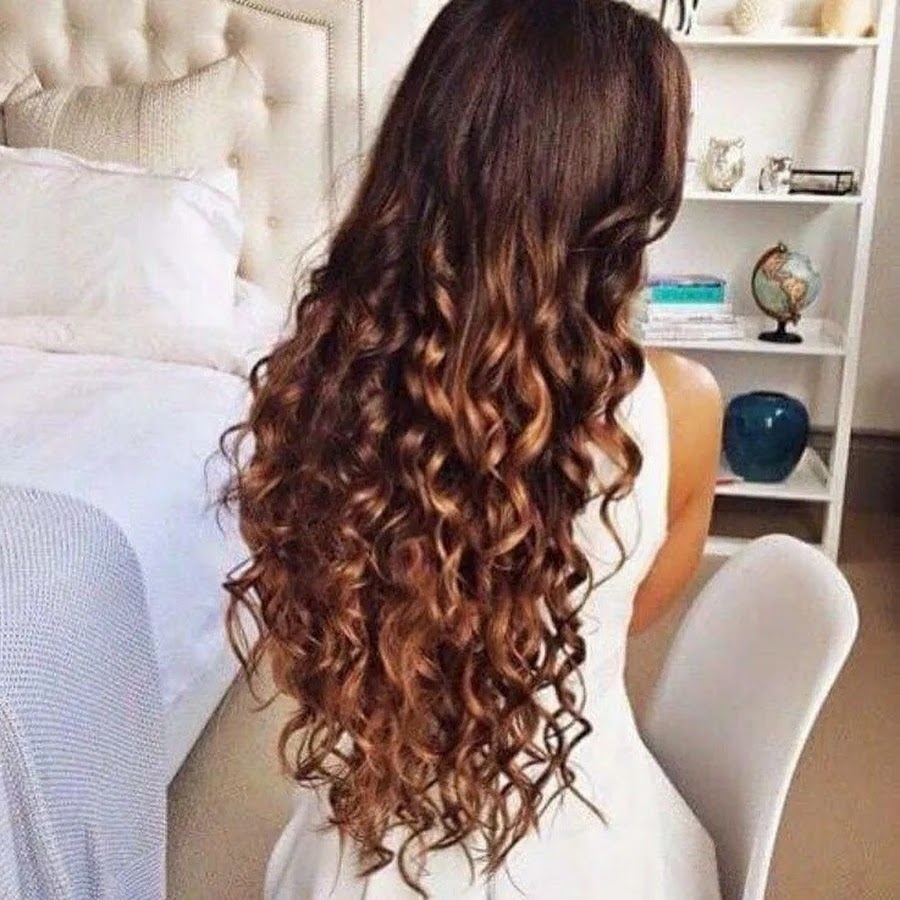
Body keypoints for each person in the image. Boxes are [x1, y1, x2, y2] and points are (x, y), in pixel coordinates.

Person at [222, 0, 723, 896]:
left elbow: (308, 635)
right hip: (589, 844)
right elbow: (633, 613)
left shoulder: (319, 387)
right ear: (624, 200)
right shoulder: (678, 408)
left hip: (371, 849)